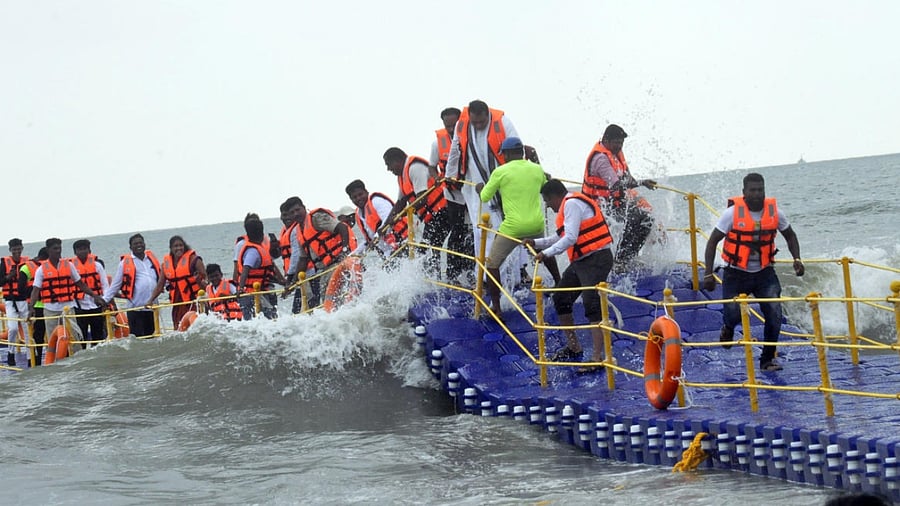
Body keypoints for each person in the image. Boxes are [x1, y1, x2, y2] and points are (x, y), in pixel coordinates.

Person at [702, 172, 804, 372]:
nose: (757, 194)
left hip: (764, 273)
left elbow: (790, 236)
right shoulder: (731, 214)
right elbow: (713, 241)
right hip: (735, 272)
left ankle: (767, 360)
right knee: (732, 315)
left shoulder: (776, 213)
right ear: (744, 192)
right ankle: (728, 328)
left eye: (761, 190)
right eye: (753, 190)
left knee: (774, 313)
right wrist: (708, 274)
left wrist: (797, 259)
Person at [524, 179, 615, 374]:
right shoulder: (568, 206)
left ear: (556, 196)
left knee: (592, 303)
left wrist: (546, 253)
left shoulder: (572, 204)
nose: (547, 206)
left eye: (547, 200)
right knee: (561, 298)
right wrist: (536, 242)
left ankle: (597, 358)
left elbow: (571, 237)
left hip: (597, 258)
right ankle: (574, 347)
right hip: (582, 261)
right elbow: (560, 237)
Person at [476, 137, 559, 315]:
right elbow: (546, 189)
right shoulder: (537, 169)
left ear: (506, 154)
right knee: (544, 252)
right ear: (521, 152)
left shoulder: (500, 171)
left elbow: (484, 197)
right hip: (536, 226)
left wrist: (479, 188)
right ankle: (559, 283)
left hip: (513, 228)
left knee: (491, 265)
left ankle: (496, 308)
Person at [444, 100, 519, 255]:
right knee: (482, 229)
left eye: (481, 122)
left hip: (505, 185)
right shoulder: (462, 125)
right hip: (476, 188)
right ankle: (484, 273)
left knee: (511, 226)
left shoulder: (503, 122)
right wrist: (449, 175)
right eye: (475, 122)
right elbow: (454, 151)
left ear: (488, 115)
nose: (478, 125)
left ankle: (516, 271)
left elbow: (518, 149)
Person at [582, 124, 657, 267]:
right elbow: (615, 184)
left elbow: (628, 179)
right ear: (606, 140)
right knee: (635, 219)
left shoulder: (617, 154)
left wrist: (641, 183)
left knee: (646, 219)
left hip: (613, 203)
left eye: (621, 143)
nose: (619, 146)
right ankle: (620, 261)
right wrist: (641, 183)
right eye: (616, 142)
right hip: (597, 207)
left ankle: (627, 257)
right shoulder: (600, 159)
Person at [383, 147, 460, 277]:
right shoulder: (401, 177)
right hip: (432, 217)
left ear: (398, 160)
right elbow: (400, 202)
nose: (388, 169)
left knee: (429, 248)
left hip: (444, 211)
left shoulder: (414, 167)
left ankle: (441, 279)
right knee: (424, 250)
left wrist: (404, 213)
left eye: (389, 164)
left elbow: (422, 198)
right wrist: (387, 223)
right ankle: (433, 280)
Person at [28, 238, 106, 344]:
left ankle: (75, 358)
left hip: (68, 308)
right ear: (48, 250)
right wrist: (31, 307)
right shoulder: (41, 270)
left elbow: (80, 284)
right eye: (55, 248)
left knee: (74, 337)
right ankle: (56, 358)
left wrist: (94, 295)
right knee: (53, 340)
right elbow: (35, 290)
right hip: (51, 309)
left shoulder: (69, 265)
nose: (58, 251)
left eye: (59, 248)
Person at [284, 198, 355, 308]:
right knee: (327, 300)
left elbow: (342, 228)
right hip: (325, 270)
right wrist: (292, 283)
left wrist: (345, 251)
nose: (296, 214)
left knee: (335, 299)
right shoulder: (299, 232)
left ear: (304, 207)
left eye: (298, 210)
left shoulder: (316, 218)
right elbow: (303, 259)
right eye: (292, 213)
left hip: (339, 262)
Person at [104, 233, 161, 338]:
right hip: (135, 309)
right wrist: (105, 299)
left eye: (140, 242)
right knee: (138, 339)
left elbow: (161, 277)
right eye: (135, 244)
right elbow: (115, 285)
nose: (139, 245)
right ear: (131, 247)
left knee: (152, 338)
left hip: (152, 308)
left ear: (144, 244)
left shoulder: (151, 259)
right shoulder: (124, 263)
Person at [148, 235, 208, 327]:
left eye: (181, 245)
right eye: (176, 246)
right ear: (171, 248)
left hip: (194, 302)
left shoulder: (194, 260)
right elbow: (160, 285)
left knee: (196, 325)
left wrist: (200, 281)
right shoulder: (166, 265)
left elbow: (207, 281)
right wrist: (150, 300)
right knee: (178, 327)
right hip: (178, 304)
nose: (179, 248)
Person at [238, 218, 287, 319]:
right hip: (252, 294)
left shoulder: (259, 249)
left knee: (271, 316)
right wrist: (241, 288)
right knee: (268, 317)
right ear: (262, 233)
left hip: (262, 291)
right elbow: (246, 269)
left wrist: (282, 283)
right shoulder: (253, 252)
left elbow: (266, 274)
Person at [345, 179, 407, 255]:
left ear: (366, 192)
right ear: (351, 200)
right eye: (354, 197)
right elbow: (367, 241)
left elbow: (388, 220)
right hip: (387, 254)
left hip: (403, 243)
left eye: (360, 194)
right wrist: (352, 255)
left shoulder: (376, 201)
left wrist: (376, 237)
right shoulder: (358, 215)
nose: (358, 198)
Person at [70, 239, 110, 348]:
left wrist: (104, 301)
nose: (82, 251)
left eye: (85, 249)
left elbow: (105, 285)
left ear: (89, 250)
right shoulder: (70, 267)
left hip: (96, 305)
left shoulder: (97, 265)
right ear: (75, 252)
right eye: (79, 249)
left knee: (98, 336)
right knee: (80, 336)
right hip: (79, 306)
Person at [2, 238, 30, 365]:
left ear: (22, 248)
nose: (17, 252)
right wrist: (9, 277)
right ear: (10, 250)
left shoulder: (27, 262)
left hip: (23, 300)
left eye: (19, 249)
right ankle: (11, 352)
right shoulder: (4, 263)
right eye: (14, 250)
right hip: (9, 300)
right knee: (13, 328)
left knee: (26, 328)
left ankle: (30, 357)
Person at [18, 247, 48, 365]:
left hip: (38, 306)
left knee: (38, 336)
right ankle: (38, 361)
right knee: (41, 336)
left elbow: (20, 290)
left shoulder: (25, 267)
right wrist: (35, 290)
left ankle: (36, 362)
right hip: (40, 306)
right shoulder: (27, 268)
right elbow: (20, 289)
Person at [430, 106, 461, 175]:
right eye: (448, 126)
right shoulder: (437, 144)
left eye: (454, 126)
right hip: (449, 184)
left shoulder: (471, 138)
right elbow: (432, 167)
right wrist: (436, 177)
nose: (451, 129)